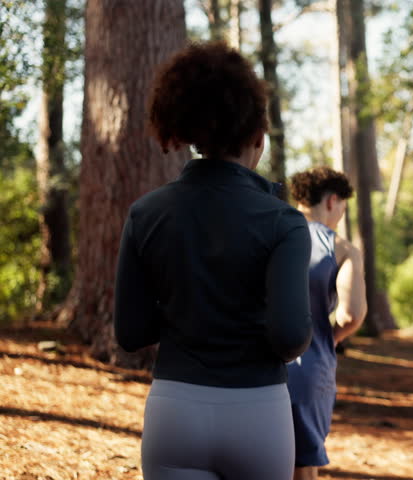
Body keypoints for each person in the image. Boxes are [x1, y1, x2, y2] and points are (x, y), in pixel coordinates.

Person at [114, 42, 312, 480]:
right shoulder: (284, 222)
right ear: (257, 135)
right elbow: (290, 335)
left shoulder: (145, 213)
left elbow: (130, 332)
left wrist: (187, 308)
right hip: (258, 411)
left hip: (174, 411)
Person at [286, 167, 367, 480]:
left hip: (251, 366)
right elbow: (351, 315)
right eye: (343, 207)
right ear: (333, 201)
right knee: (302, 465)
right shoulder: (341, 248)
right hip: (308, 366)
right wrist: (331, 337)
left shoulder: (266, 232)